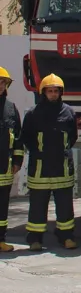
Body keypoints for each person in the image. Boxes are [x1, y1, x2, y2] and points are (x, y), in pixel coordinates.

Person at [22, 73, 78, 251]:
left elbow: (72, 137)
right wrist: (39, 153)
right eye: (50, 91)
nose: (53, 94)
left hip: (62, 167)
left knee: (65, 205)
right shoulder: (33, 114)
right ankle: (35, 239)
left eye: (56, 91)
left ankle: (66, 236)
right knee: (38, 205)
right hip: (40, 168)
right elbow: (27, 138)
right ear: (43, 92)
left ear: (61, 93)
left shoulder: (69, 112)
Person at [0, 67, 23, 252]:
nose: (0, 86)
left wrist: (17, 161)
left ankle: (0, 240)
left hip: (4, 168)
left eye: (3, 82)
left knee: (2, 207)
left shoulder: (10, 108)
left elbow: (18, 138)